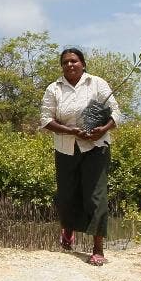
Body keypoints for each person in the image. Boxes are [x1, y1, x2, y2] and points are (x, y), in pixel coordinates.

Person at [39, 47, 120, 266]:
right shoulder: (53, 89)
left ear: (83, 63)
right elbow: (46, 119)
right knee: (67, 194)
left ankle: (97, 248)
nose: (69, 65)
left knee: (96, 196)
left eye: (74, 61)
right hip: (66, 148)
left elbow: (115, 112)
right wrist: (72, 131)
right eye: (65, 62)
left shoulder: (97, 83)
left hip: (96, 147)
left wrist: (103, 129)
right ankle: (68, 230)